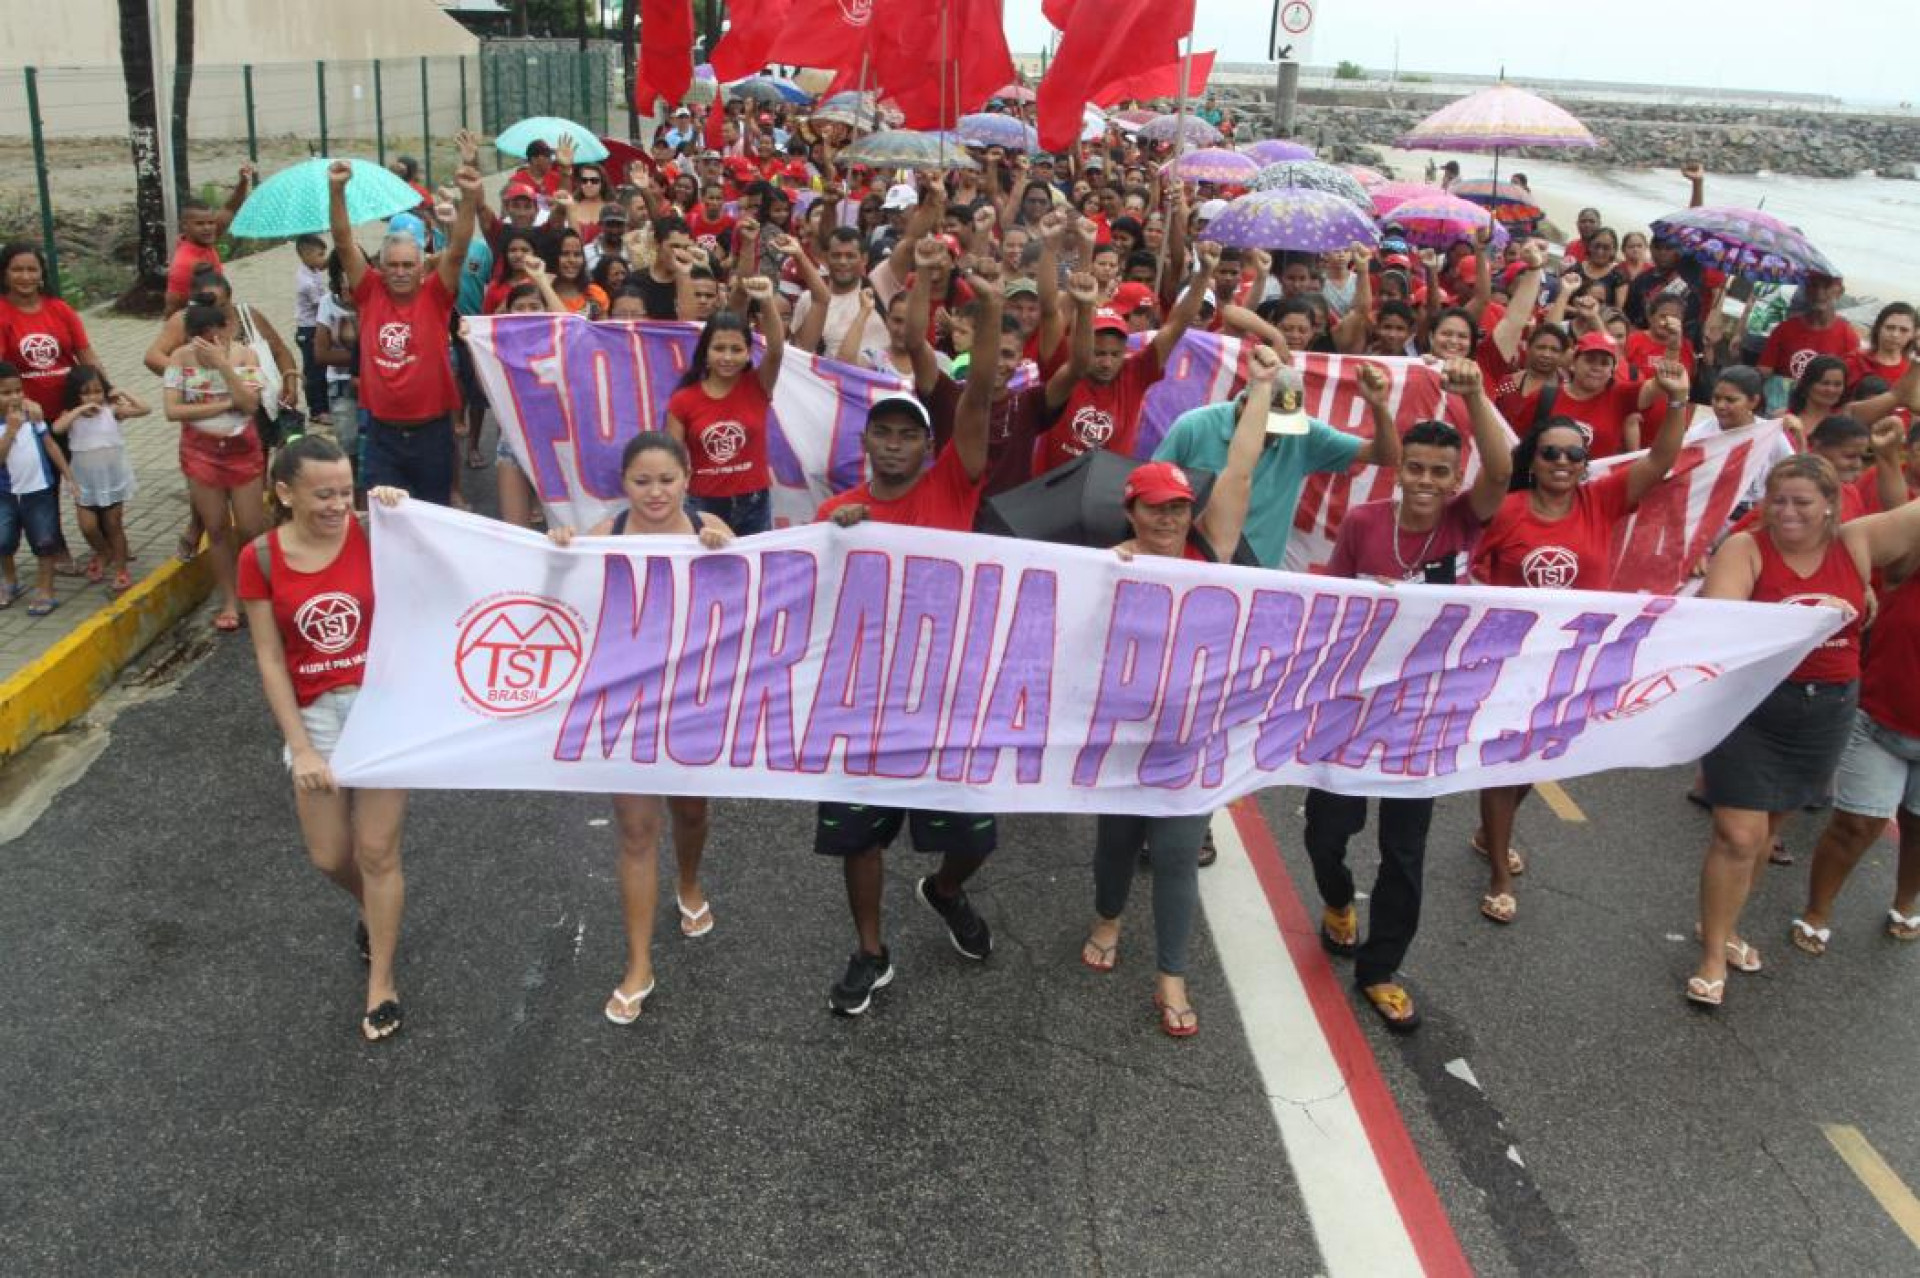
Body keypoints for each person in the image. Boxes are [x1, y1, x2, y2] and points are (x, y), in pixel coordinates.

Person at [810, 270, 1005, 1018]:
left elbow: (978, 397)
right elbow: (799, 597)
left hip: (946, 696)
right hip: (863, 701)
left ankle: (946, 890)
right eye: (883, 433)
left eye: (908, 434)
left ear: (928, 445)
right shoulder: (835, 513)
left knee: (975, 836)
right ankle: (870, 952)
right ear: (866, 441)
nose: (894, 444)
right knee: (860, 840)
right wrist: (835, 541)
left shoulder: (953, 485)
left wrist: (990, 310)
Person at [1083, 344, 1283, 1039]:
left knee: (1175, 852)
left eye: (1179, 507)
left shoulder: (1211, 552)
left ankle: (1171, 972)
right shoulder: (1105, 567)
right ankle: (1108, 917)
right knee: (1116, 839)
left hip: (1192, 736)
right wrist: (1106, 575)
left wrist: (1262, 387)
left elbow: (1241, 467)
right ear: (1132, 509)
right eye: (1156, 508)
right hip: (1124, 734)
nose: (1169, 519)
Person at [1307, 360, 1515, 1030]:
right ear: (1400, 471)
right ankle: (1337, 898)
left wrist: (1475, 396)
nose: (1426, 481)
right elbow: (1331, 605)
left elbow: (1502, 471)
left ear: (1455, 479)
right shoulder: (1364, 523)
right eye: (1416, 468)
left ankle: (1380, 969)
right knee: (1326, 833)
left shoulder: (1465, 520)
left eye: (1439, 472)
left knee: (1403, 851)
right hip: (1354, 708)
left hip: (1425, 715)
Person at [1469, 358, 1694, 924]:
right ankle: (1499, 873)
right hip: (1511, 661)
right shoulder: (1506, 511)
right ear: (1533, 460)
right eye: (1551, 453)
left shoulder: (1604, 500)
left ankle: (1489, 834)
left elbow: (1661, 460)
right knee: (1504, 765)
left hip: (1572, 662)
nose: (1563, 463)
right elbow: (1469, 574)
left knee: (1531, 762)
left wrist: (1678, 400)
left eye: (1574, 456)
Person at [1690, 455, 1920, 1006]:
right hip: (1753, 707)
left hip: (1826, 713)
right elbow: (1719, 626)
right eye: (1777, 500)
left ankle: (1725, 925)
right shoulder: (1746, 549)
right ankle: (1713, 956)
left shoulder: (1855, 543)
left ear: (1830, 507)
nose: (1786, 512)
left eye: (1801, 502)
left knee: (1765, 834)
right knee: (1738, 835)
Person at [548, 432, 733, 1023]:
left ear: (687, 480)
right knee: (634, 831)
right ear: (623, 485)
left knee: (691, 813)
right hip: (626, 703)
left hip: (693, 702)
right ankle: (638, 965)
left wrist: (724, 554)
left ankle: (688, 881)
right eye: (641, 481)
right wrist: (560, 553)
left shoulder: (710, 528)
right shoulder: (607, 534)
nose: (655, 492)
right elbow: (555, 598)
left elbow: (751, 600)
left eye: (667, 480)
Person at [238, 434, 409, 1041]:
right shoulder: (259, 558)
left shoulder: (375, 533)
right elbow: (269, 658)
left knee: (377, 851)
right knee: (330, 856)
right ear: (285, 493)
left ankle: (382, 978)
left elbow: (447, 560)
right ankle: (375, 907)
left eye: (346, 491)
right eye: (324, 495)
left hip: (381, 709)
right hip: (314, 717)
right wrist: (302, 747)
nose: (339, 505)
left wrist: (403, 511)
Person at [1792, 490, 1920, 959]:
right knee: (1854, 825)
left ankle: (1906, 902)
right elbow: (1854, 536)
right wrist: (1860, 587)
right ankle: (1817, 912)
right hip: (1881, 716)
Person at [328, 158, 481, 506]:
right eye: (393, 265)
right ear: (380, 267)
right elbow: (343, 241)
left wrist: (470, 198)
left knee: (431, 517)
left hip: (432, 434)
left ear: (422, 267)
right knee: (387, 520)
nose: (400, 272)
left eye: (408, 265)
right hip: (382, 437)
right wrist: (336, 190)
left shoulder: (436, 294)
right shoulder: (369, 291)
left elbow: (458, 250)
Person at [163, 304, 266, 631]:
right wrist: (225, 404)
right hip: (200, 451)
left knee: (249, 526)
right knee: (217, 527)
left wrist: (223, 366)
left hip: (242, 450)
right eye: (201, 339)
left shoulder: (246, 356)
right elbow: (172, 410)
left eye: (215, 336)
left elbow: (250, 404)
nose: (209, 344)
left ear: (228, 329)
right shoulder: (180, 359)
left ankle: (255, 589)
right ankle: (230, 599)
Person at [665, 273, 786, 536]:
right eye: (719, 348)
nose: (728, 357)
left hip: (755, 504)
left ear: (749, 353)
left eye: (736, 349)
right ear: (705, 352)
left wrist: (767, 300)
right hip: (702, 506)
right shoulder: (682, 400)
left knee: (753, 564)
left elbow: (776, 350)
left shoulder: (758, 385)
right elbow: (671, 461)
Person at [50, 366, 146, 592]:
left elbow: (145, 409)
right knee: (88, 527)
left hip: (112, 480)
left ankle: (121, 569)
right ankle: (104, 551)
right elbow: (57, 428)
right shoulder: (70, 416)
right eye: (86, 393)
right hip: (85, 482)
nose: (93, 397)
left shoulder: (111, 412)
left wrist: (122, 392)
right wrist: (79, 409)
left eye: (97, 391)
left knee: (114, 525)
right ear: (75, 395)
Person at [0, 362, 74, 614]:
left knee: (44, 541)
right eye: (6, 393)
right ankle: (10, 581)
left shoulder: (32, 415)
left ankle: (46, 589)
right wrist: (10, 431)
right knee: (3, 540)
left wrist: (69, 476)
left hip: (39, 490)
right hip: (6, 494)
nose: (14, 397)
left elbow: (50, 444)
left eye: (18, 390)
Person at [163, 167, 254, 316]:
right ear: (185, 226)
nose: (208, 228)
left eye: (211, 222)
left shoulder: (205, 239)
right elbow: (172, 310)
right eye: (200, 224)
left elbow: (230, 208)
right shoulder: (184, 264)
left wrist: (243, 182)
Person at [1758, 273, 1859, 384]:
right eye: (1814, 285)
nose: (1819, 293)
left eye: (1826, 286)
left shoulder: (1848, 336)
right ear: (1806, 290)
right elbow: (1765, 370)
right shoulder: (1784, 329)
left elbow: (1849, 380)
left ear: (1839, 292)